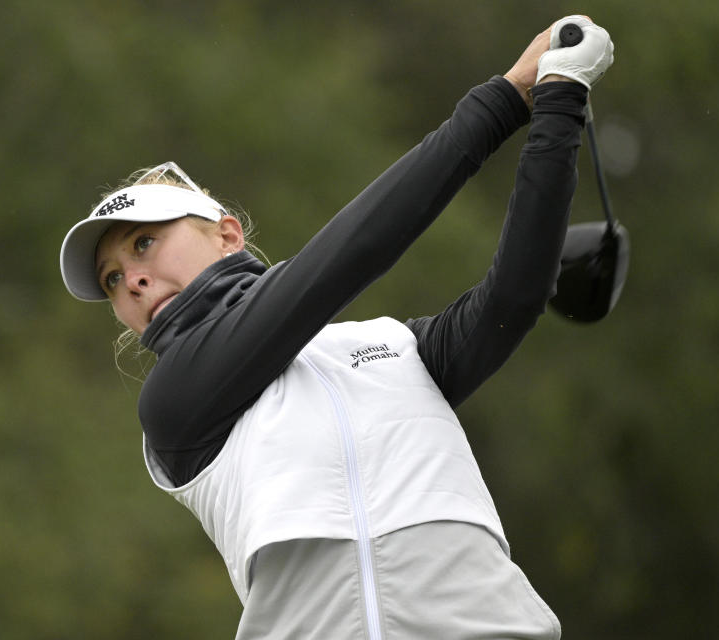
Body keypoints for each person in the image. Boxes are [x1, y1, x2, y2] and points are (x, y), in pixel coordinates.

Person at [59, 15, 613, 640]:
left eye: (143, 244)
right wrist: (507, 97)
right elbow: (346, 258)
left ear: (227, 234)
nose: (129, 280)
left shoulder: (394, 347)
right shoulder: (174, 404)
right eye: (110, 279)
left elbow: (515, 294)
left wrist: (559, 102)